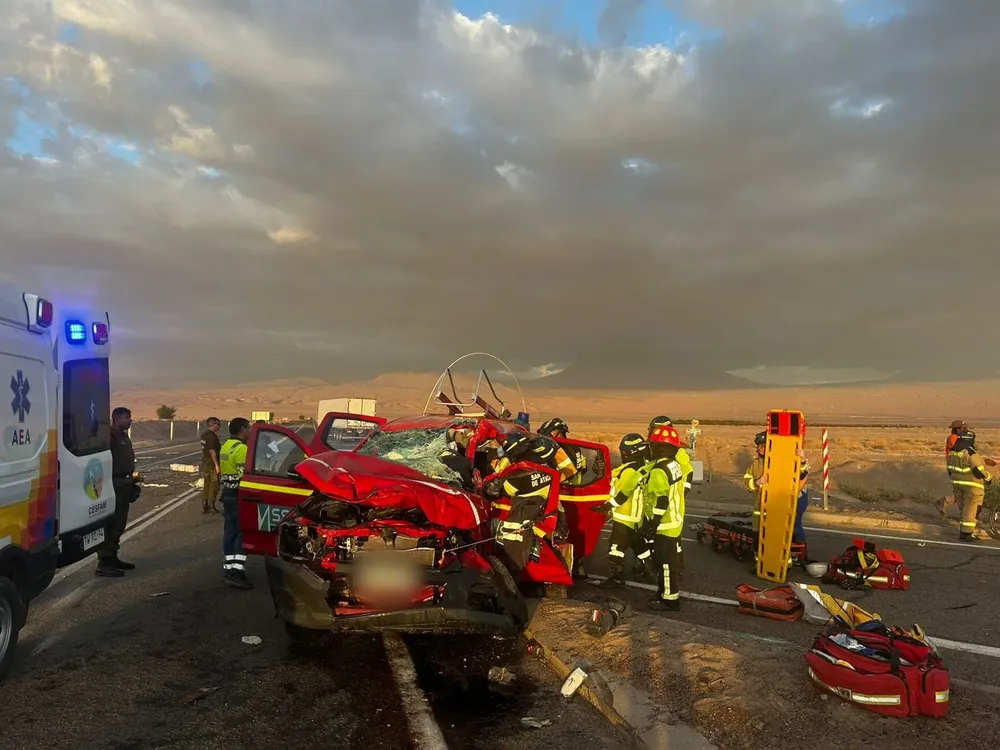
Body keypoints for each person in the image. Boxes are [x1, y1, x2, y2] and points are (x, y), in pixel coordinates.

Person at [599, 434, 653, 586]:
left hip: (625, 516)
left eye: (624, 452)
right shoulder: (644, 467)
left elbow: (622, 492)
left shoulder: (629, 471)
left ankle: (616, 578)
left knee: (615, 547)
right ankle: (648, 570)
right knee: (639, 545)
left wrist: (607, 506)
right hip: (638, 517)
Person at [645, 423, 687, 611]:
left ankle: (670, 600)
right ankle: (663, 592)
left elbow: (661, 500)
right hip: (676, 520)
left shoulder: (659, 470)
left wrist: (652, 524)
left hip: (665, 524)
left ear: (659, 448)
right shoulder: (674, 464)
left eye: (653, 445)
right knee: (668, 562)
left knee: (666, 564)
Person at [95, 407, 138, 578]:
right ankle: (104, 563)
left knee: (120, 523)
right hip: (114, 484)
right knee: (111, 524)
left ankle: (113, 558)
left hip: (125, 483)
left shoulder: (123, 436)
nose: (130, 420)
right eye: (127, 417)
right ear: (117, 418)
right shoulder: (110, 437)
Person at [220, 417, 253, 589]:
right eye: (249, 428)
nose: (250, 431)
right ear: (243, 429)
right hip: (239, 495)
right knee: (242, 533)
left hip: (227, 493)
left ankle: (228, 569)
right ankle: (237, 572)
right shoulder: (241, 449)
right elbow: (245, 475)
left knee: (230, 531)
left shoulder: (226, 446)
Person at [946, 428, 992, 541]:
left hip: (957, 485)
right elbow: (979, 470)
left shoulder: (952, 453)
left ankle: (963, 532)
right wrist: (989, 478)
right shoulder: (971, 453)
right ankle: (966, 534)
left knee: (964, 509)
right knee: (971, 509)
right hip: (972, 486)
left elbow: (949, 470)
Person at [648, 416, 693, 495]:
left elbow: (687, 470)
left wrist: (684, 490)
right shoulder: (648, 447)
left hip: (668, 491)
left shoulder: (678, 451)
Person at [539, 417, 588, 482]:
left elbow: (568, 474)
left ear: (561, 433)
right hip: (575, 486)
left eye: (552, 434)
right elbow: (584, 468)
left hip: (567, 488)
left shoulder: (562, 451)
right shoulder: (574, 447)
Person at [742, 431, 768, 531]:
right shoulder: (756, 464)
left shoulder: (778, 464)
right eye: (758, 446)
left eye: (762, 446)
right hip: (758, 513)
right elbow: (746, 481)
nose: (758, 449)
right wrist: (756, 482)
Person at [200, 417, 223, 514]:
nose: (219, 426)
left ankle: (205, 505)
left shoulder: (204, 434)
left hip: (205, 462)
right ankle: (211, 505)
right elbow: (212, 451)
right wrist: (217, 465)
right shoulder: (212, 437)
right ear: (214, 425)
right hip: (212, 463)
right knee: (215, 484)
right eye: (218, 424)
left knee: (207, 484)